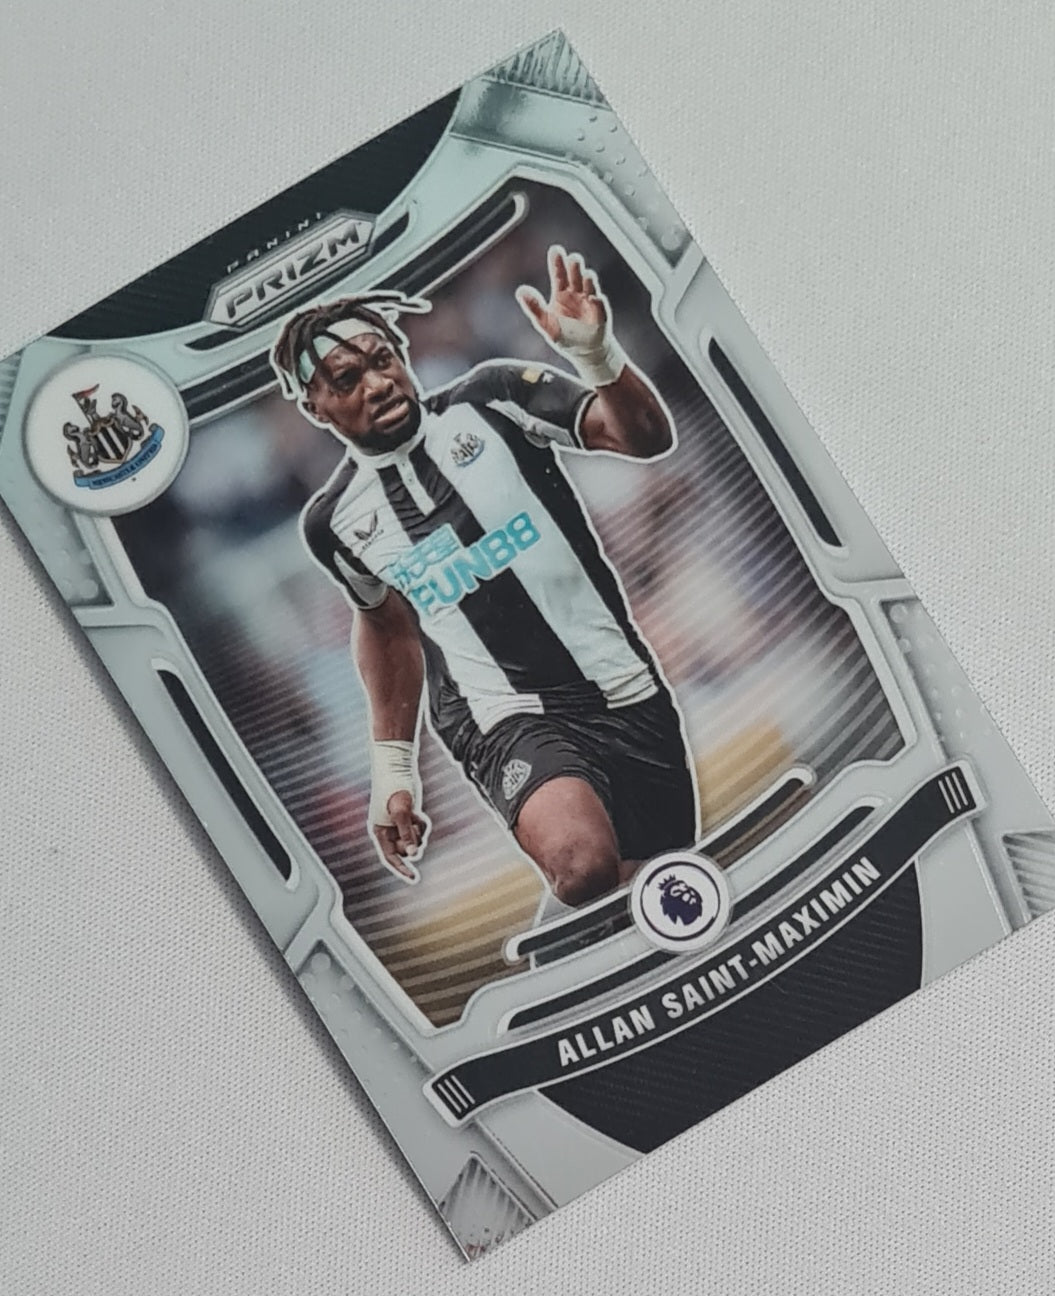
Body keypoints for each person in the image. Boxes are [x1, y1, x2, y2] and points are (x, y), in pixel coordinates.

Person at [270, 246, 698, 906]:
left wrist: (597, 357)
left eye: (383, 360)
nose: (378, 384)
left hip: (622, 685)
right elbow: (387, 628)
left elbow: (643, 437)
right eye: (347, 379)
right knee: (583, 868)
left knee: (662, 879)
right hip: (501, 718)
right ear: (315, 406)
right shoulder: (335, 522)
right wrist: (394, 771)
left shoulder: (493, 398)